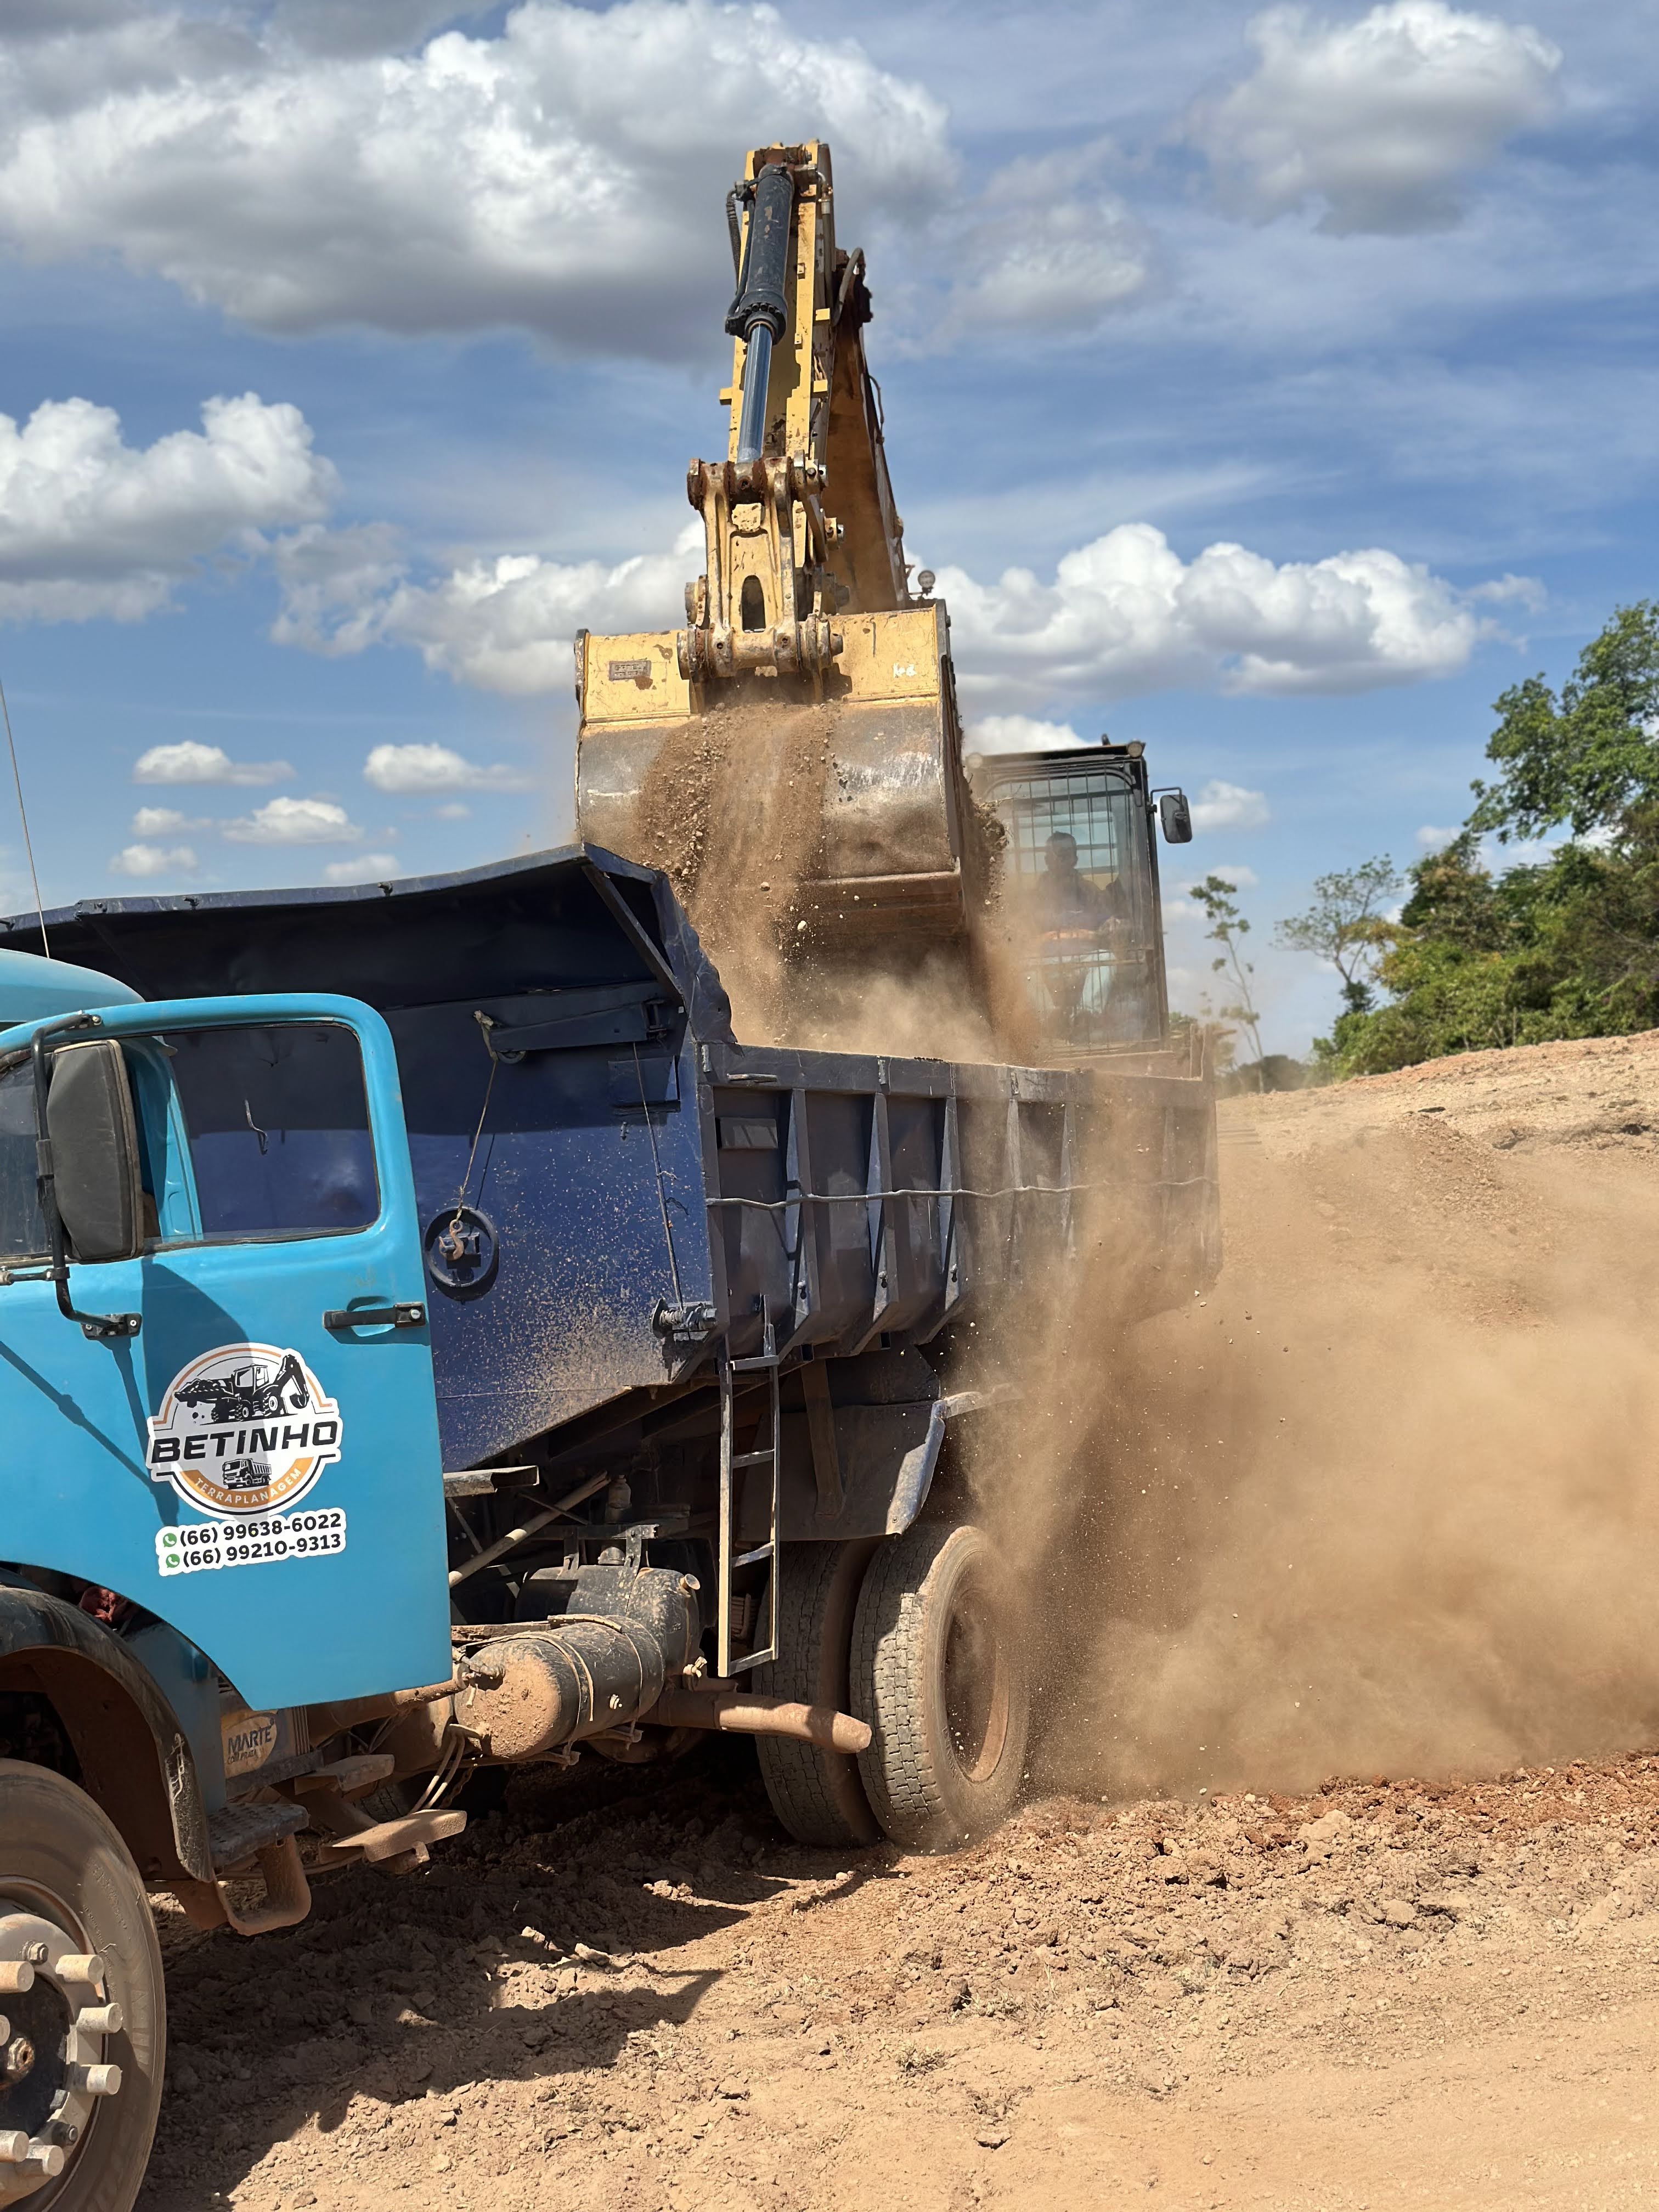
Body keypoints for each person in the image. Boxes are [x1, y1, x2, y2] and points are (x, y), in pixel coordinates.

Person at [1028, 831, 1131, 1039]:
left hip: (1085, 962)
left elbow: (1108, 929)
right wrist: (1056, 938)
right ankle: (1051, 1019)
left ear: (1075, 858)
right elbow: (1022, 937)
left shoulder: (1091, 892)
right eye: (1056, 855)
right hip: (1045, 964)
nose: (1061, 860)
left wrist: (1099, 932)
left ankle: (1086, 1017)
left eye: (1066, 855)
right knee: (1024, 968)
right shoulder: (1033, 898)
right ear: (1047, 860)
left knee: (1106, 958)